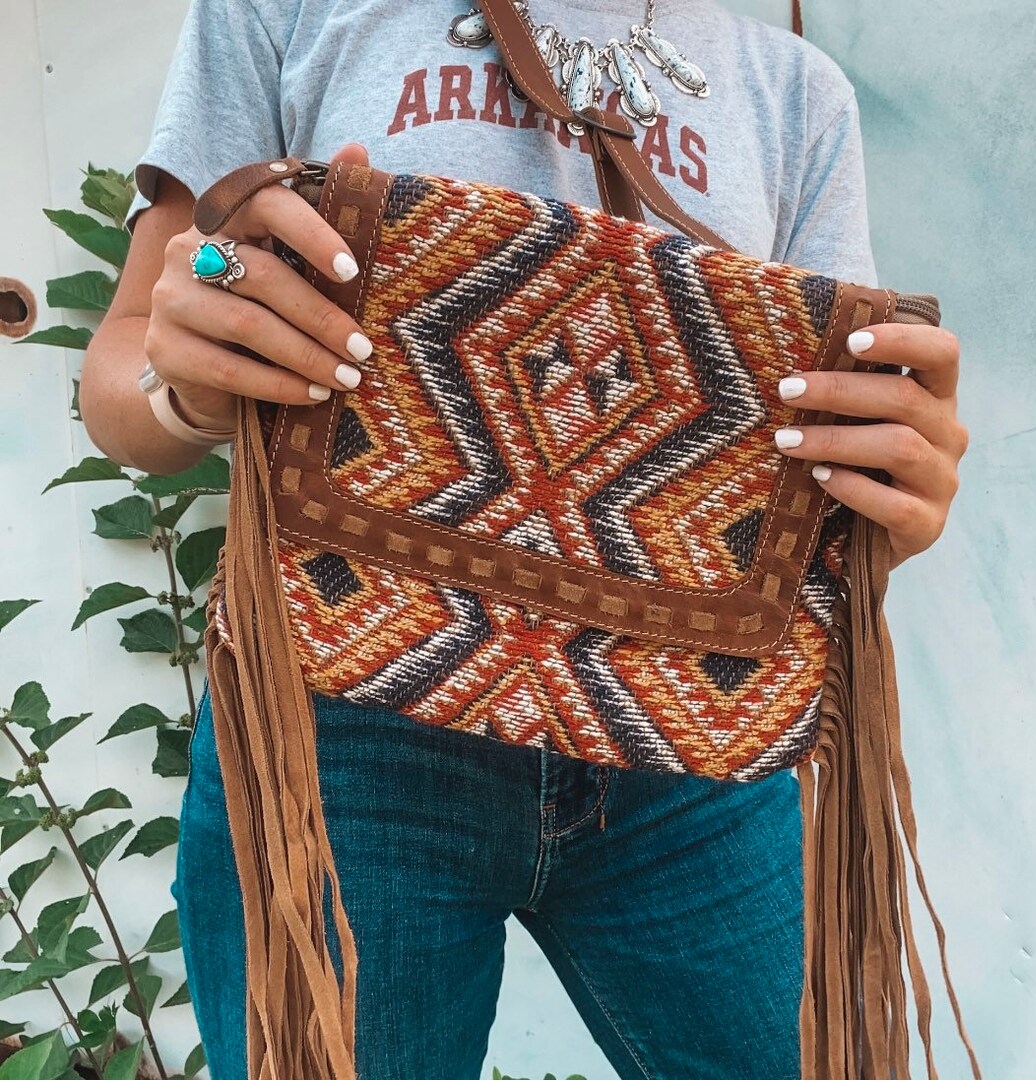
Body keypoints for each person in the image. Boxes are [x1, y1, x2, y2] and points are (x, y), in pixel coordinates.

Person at [80, 2, 968, 1077]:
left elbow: (817, 459)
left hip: (690, 750)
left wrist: (885, 493)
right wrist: (187, 382)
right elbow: (120, 369)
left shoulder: (797, 91)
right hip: (339, 726)